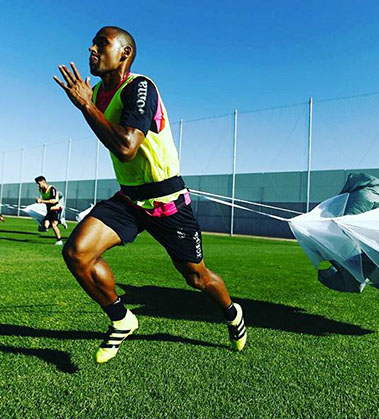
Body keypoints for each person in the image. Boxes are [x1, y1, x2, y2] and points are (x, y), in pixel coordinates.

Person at [54, 26, 246, 363]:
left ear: (125, 54)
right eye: (93, 43)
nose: (92, 48)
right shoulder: (96, 91)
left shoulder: (140, 87)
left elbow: (127, 146)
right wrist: (88, 104)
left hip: (167, 202)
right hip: (129, 200)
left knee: (197, 277)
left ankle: (233, 314)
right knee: (77, 252)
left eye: (102, 44)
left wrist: (86, 107)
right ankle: (121, 319)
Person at [35, 176, 64, 246]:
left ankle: (59, 240)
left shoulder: (52, 189)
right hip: (49, 210)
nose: (38, 185)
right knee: (46, 225)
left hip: (56, 208)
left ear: (43, 182)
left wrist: (42, 201)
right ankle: (60, 221)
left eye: (39, 183)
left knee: (54, 225)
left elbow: (55, 200)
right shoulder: (41, 190)